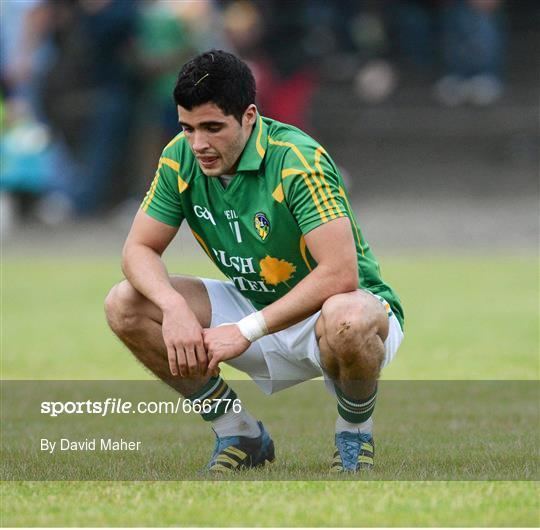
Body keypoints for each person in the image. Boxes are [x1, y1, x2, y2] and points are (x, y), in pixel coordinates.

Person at [105, 50, 404, 473]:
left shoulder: (297, 160)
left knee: (349, 318)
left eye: (212, 128)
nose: (199, 145)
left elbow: (340, 273)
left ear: (248, 116)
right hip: (253, 303)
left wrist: (245, 331)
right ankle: (239, 433)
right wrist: (173, 309)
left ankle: (353, 434)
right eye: (187, 128)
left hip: (334, 307)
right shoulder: (180, 158)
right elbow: (138, 249)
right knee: (125, 302)